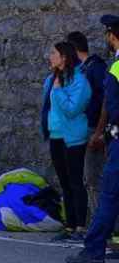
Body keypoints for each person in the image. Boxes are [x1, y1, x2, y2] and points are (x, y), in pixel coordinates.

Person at [67, 15, 119, 263]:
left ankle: (94, 249)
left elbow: (110, 105)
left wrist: (101, 134)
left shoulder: (116, 67)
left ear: (112, 36)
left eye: (108, 35)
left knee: (108, 195)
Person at [41, 41, 91, 243]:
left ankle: (80, 226)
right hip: (56, 136)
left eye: (53, 53)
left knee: (75, 182)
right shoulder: (51, 80)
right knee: (64, 183)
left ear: (64, 58)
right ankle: (69, 226)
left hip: (73, 138)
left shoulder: (80, 81)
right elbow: (48, 108)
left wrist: (59, 90)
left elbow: (72, 109)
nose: (49, 56)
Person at [66, 32, 108, 217]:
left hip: (93, 130)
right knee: (86, 178)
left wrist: (99, 132)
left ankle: (104, 225)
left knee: (94, 178)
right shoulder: (83, 69)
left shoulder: (95, 68)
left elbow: (106, 102)